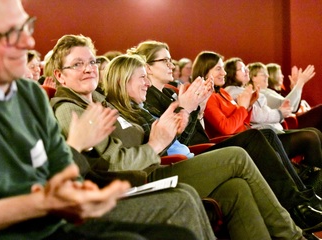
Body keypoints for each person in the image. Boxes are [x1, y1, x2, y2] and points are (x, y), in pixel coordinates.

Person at [0, 1, 212, 239]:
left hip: (59, 220)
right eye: (9, 33)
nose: (28, 41)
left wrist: (85, 192)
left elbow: (64, 170)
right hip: (23, 231)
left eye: (26, 27)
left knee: (177, 234)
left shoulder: (30, 96)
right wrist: (43, 201)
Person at [47, 34, 307, 239]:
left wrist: (182, 115)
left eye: (91, 62)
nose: (89, 69)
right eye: (77, 64)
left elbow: (153, 135)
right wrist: (157, 141)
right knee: (238, 156)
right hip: (140, 178)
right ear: (59, 75)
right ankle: (293, 235)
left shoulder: (101, 103)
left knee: (235, 189)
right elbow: (114, 163)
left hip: (154, 165)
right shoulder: (71, 110)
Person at [131, 39, 322, 221]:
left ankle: (303, 200)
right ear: (148, 67)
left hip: (202, 146)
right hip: (193, 154)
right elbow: (181, 139)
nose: (171, 65)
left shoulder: (169, 92)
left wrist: (198, 108)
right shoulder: (147, 99)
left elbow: (189, 130)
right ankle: (298, 205)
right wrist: (195, 108)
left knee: (268, 134)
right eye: (165, 60)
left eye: (170, 60)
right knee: (261, 137)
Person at [266, 63, 322, 132]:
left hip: (293, 120)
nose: (282, 76)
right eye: (280, 74)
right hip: (289, 124)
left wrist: (294, 88)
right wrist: (299, 83)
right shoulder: (268, 92)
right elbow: (289, 106)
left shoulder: (281, 92)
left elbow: (295, 108)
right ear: (272, 76)